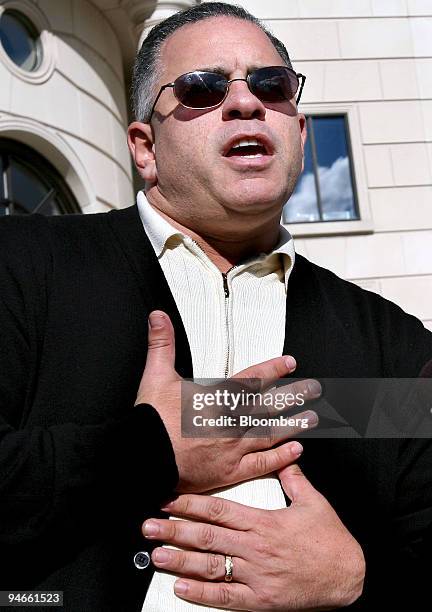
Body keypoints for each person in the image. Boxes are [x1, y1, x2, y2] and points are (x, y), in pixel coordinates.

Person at [0, 2, 431, 611]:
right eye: (202, 88)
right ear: (144, 148)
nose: (246, 102)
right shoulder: (22, 266)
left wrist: (358, 579)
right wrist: (147, 451)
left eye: (270, 85)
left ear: (300, 135)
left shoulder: (392, 344)